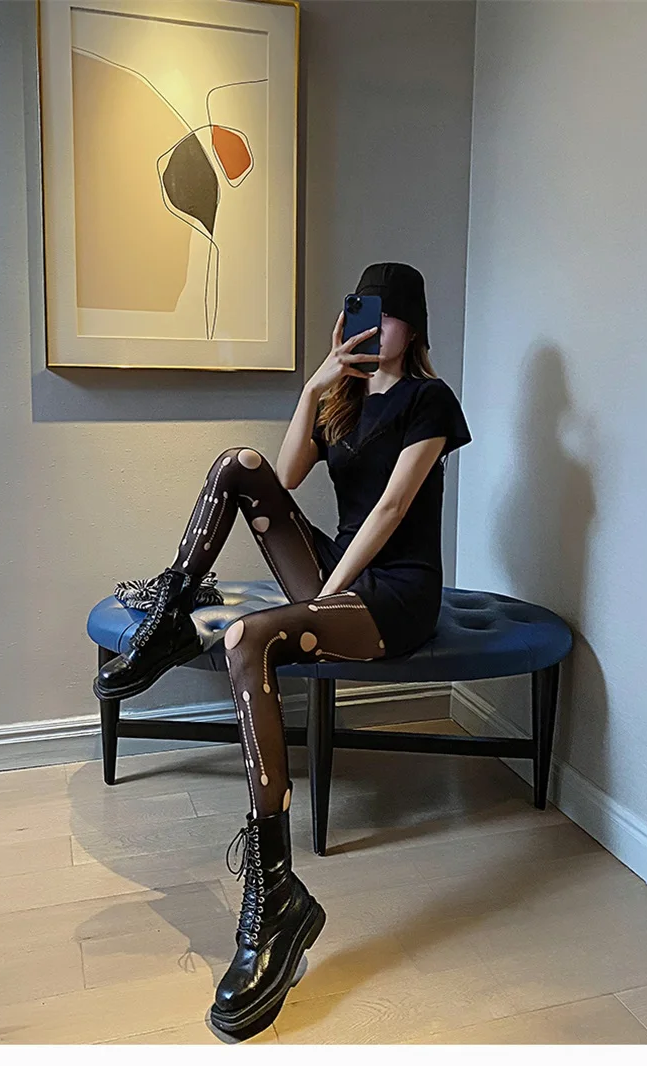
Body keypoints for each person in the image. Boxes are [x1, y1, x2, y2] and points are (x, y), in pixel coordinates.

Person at [93, 262, 472, 1040]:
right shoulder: (346, 397)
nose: (372, 326)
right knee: (240, 464)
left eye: (386, 314)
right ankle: (170, 614)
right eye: (362, 310)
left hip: (395, 594)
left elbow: (393, 506)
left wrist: (328, 591)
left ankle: (277, 899)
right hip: (340, 574)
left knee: (248, 636)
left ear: (413, 325)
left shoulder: (429, 399)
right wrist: (315, 385)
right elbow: (290, 472)